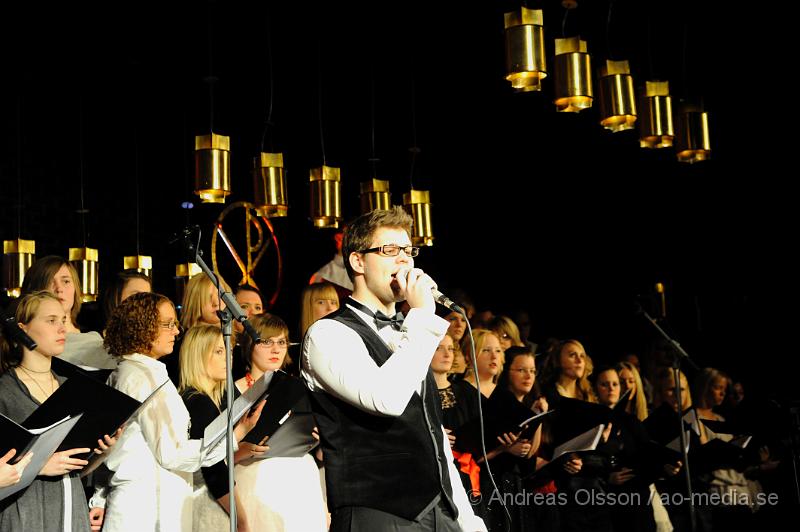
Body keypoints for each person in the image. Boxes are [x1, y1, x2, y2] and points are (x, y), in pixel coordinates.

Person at [301, 206, 486, 531]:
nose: (403, 260)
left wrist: (468, 521)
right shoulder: (328, 334)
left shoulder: (411, 331)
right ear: (358, 261)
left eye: (408, 251)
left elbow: (434, 438)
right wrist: (424, 317)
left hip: (441, 511)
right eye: (389, 250)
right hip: (377, 513)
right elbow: (384, 398)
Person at [92, 292, 263, 532]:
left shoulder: (138, 371)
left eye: (175, 323)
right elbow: (172, 453)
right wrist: (235, 436)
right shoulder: (141, 376)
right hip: (146, 509)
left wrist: (100, 497)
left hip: (153, 503)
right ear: (144, 327)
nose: (176, 331)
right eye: (168, 324)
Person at [0, 291, 116, 531]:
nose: (62, 328)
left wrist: (102, 453)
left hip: (71, 508)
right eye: (51, 321)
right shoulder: (5, 391)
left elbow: (75, 468)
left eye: (63, 320)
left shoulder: (71, 388)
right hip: (27, 511)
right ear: (22, 329)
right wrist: (40, 466)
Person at [235, 313, 327, 531]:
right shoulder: (234, 390)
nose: (276, 349)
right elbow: (217, 457)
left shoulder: (301, 387)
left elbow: (322, 454)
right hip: (255, 480)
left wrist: (323, 441)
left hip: (300, 478)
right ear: (250, 344)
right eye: (266, 342)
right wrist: (244, 451)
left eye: (281, 342)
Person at [20, 256, 116, 369]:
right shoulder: (26, 344)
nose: (59, 288)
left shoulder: (95, 340)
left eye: (66, 281)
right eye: (50, 282)